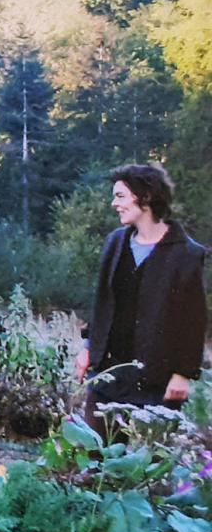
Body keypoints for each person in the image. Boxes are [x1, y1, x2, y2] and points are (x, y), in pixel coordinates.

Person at [75, 163, 208, 437]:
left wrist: (183, 374)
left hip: (156, 382)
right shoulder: (115, 242)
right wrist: (89, 346)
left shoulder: (186, 254)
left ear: (145, 198)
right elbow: (102, 303)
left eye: (120, 196)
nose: (114, 204)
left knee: (148, 466)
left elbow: (193, 321)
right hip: (108, 374)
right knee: (94, 460)